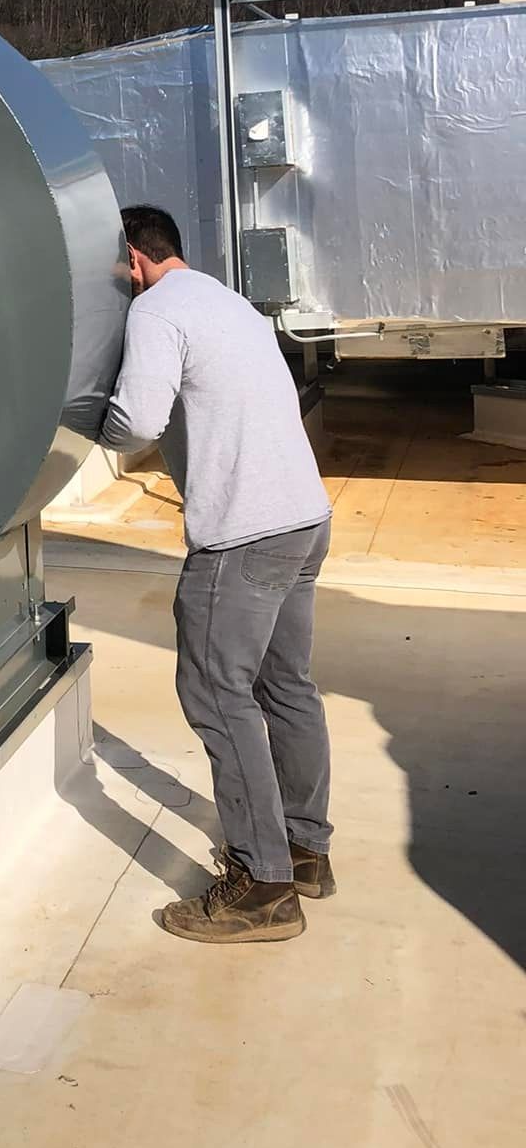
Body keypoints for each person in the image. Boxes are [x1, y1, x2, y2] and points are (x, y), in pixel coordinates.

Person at [102, 204, 334, 944]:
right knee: (284, 684)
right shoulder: (225, 298)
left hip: (243, 536)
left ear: (134, 261)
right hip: (304, 516)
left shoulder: (156, 310)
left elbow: (136, 422)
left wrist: (85, 420)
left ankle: (261, 887)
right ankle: (303, 852)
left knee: (214, 691)